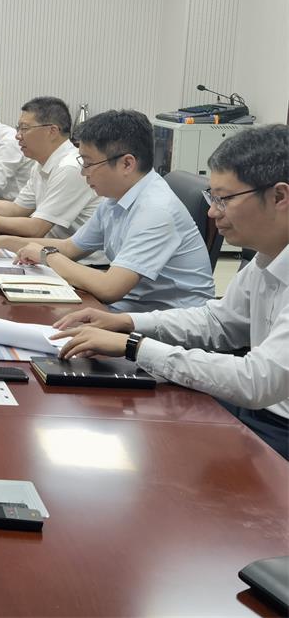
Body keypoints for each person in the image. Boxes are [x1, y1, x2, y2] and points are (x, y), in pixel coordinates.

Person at [52, 124, 288, 459]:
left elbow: (256, 381)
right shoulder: (267, 257)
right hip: (253, 409)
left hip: (278, 426)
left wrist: (134, 346)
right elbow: (218, 323)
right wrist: (128, 324)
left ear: (279, 197)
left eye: (224, 199)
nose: (212, 212)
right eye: (211, 198)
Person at [0, 110, 215, 312]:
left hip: (166, 321)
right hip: (131, 307)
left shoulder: (155, 210)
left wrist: (46, 255)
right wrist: (4, 242)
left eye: (89, 163)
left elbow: (110, 288)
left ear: (127, 164)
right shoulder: (116, 197)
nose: (83, 172)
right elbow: (70, 247)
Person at [0, 97, 103, 259]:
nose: (17, 136)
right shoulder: (41, 164)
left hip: (81, 263)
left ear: (52, 131)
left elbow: (36, 228)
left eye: (24, 128)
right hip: (47, 253)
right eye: (18, 128)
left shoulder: (69, 167)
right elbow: (16, 209)